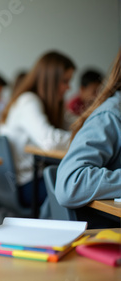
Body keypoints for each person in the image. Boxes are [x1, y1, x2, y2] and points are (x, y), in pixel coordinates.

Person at [0, 51, 75, 208]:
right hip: (26, 185)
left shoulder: (44, 103)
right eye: (65, 81)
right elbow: (50, 141)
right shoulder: (28, 101)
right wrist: (84, 138)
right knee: (79, 192)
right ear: (50, 81)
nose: (69, 87)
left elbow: (75, 125)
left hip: (27, 181)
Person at [55, 50, 121, 228]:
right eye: (65, 82)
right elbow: (70, 184)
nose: (68, 87)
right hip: (100, 230)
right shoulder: (111, 115)